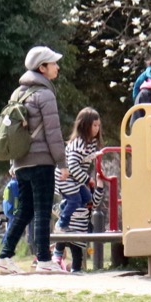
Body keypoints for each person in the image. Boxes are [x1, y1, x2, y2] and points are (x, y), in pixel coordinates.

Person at [0, 46, 69, 274]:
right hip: (41, 161)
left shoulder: (18, 93)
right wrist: (62, 163)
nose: (57, 66)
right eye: (53, 63)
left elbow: (10, 130)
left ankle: (4, 257)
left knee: (24, 211)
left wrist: (12, 163)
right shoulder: (45, 95)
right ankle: (45, 261)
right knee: (43, 209)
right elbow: (53, 134)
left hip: (21, 163)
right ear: (42, 68)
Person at [52, 107, 104, 271]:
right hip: (65, 177)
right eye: (94, 125)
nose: (97, 129)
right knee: (75, 199)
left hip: (76, 180)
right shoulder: (78, 143)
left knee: (87, 198)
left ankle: (63, 213)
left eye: (98, 125)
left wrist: (95, 157)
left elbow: (85, 160)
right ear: (85, 126)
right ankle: (63, 222)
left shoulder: (91, 143)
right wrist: (87, 179)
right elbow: (73, 166)